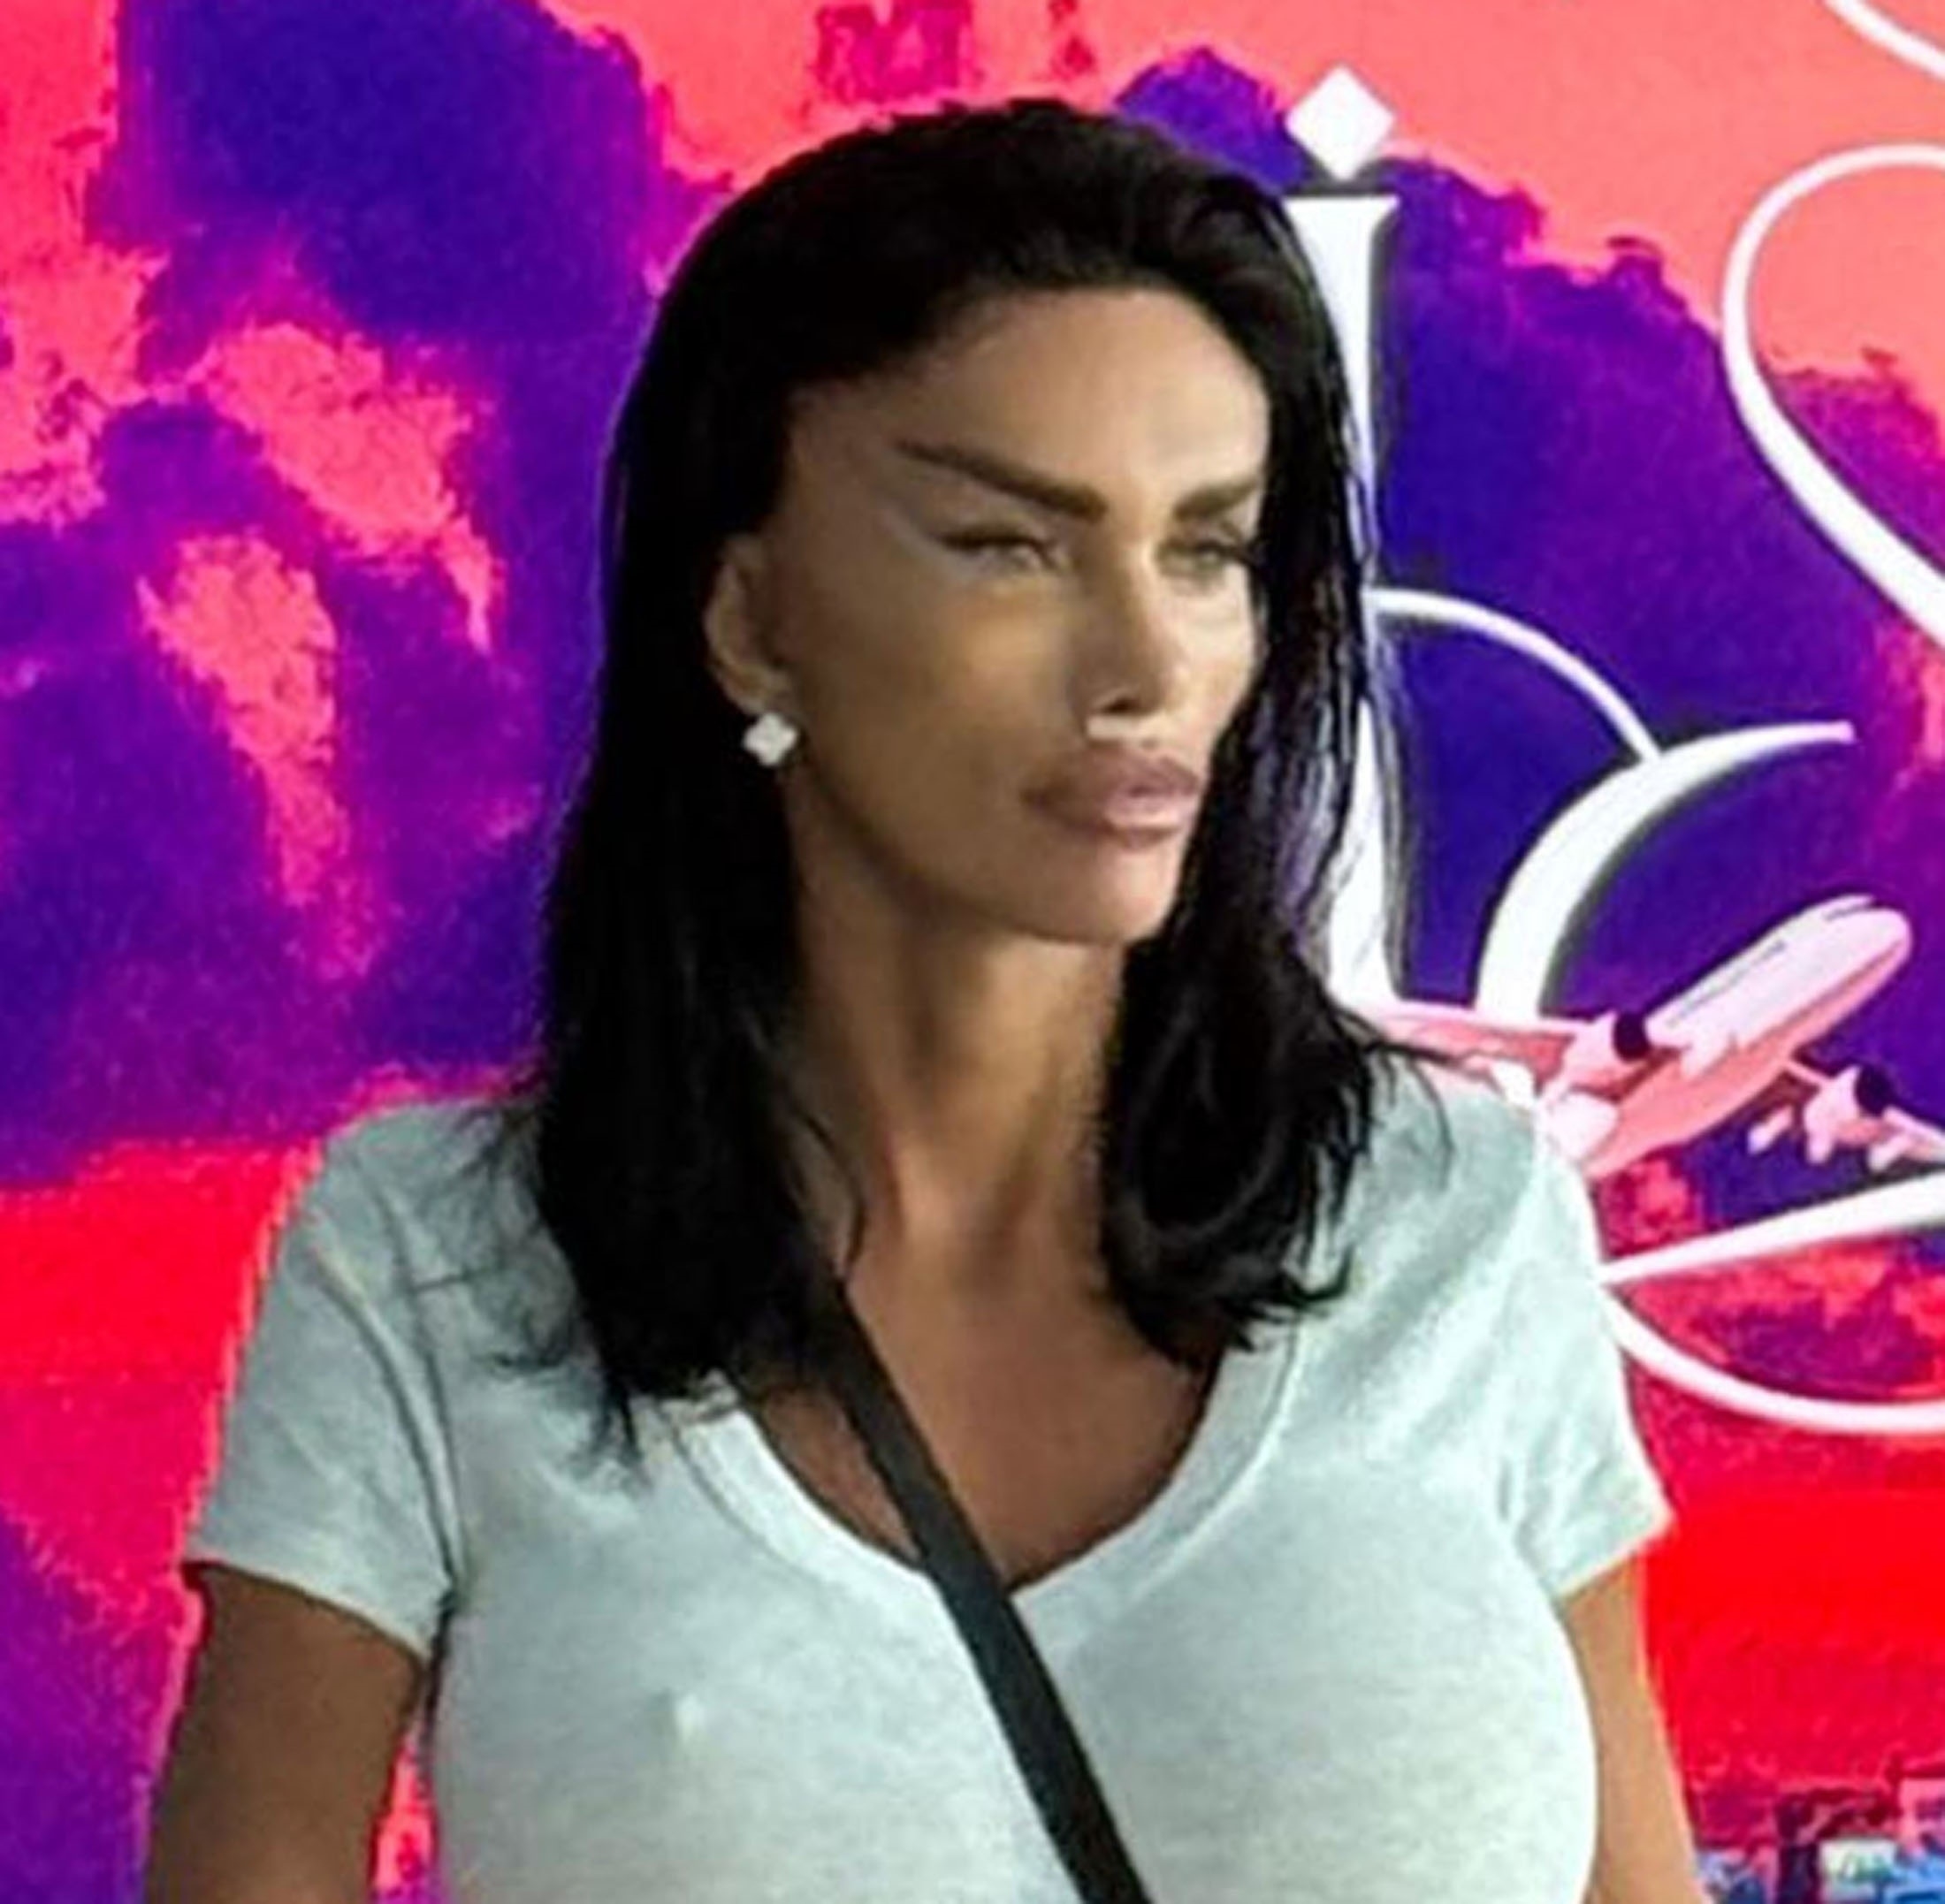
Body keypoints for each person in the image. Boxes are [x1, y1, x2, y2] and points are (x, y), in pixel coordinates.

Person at [145, 96, 1693, 1904]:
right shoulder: (434, 1262)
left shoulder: (1455, 1220)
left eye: (1206, 550)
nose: (1143, 663)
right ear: (752, 618)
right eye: (1008, 545)